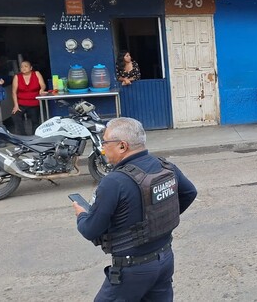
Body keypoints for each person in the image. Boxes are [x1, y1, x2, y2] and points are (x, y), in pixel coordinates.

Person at [73, 117, 197, 301]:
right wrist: (157, 222)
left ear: (122, 146)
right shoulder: (165, 167)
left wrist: (81, 214)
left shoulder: (114, 182)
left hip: (132, 271)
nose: (102, 148)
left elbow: (91, 230)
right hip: (164, 260)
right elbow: (189, 192)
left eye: (105, 142)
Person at [11, 61, 46, 135]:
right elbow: (14, 92)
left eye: (26, 66)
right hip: (21, 103)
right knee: (15, 116)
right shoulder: (17, 77)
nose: (23, 68)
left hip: (34, 102)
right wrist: (16, 105)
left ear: (31, 68)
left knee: (35, 120)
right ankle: (22, 136)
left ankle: (35, 137)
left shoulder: (36, 73)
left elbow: (43, 85)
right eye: (21, 67)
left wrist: (41, 89)